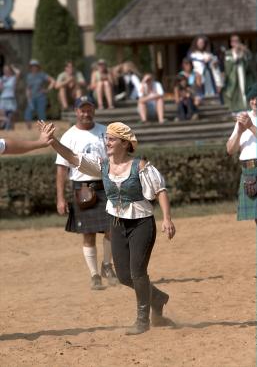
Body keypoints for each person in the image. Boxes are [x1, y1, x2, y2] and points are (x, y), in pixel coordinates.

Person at [39, 120, 176, 336]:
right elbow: (73, 158)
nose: (107, 142)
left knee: (138, 272)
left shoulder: (140, 166)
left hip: (141, 223)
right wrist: (53, 142)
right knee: (123, 275)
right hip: (116, 223)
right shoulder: (102, 165)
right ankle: (157, 297)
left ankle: (143, 320)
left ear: (124, 143)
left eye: (111, 139)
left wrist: (167, 219)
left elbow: (160, 190)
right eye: (107, 139)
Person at [55, 96, 117, 290]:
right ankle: (94, 275)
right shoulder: (68, 136)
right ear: (76, 111)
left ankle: (107, 265)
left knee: (112, 229)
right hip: (82, 189)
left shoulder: (105, 131)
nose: (86, 113)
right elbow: (62, 169)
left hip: (105, 185)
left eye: (89, 109)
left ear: (94, 110)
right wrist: (60, 198)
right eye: (82, 109)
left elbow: (116, 158)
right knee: (88, 234)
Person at [226, 83, 257, 223]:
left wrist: (251, 126)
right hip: (248, 171)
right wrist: (238, 132)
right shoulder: (243, 118)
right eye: (252, 98)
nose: (255, 101)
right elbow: (230, 150)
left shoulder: (248, 121)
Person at [224, 35, 255, 112]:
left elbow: (250, 62)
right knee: (234, 92)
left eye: (237, 41)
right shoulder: (228, 53)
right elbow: (227, 65)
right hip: (233, 76)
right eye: (234, 41)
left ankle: (246, 107)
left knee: (245, 90)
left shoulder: (244, 51)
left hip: (244, 75)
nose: (236, 43)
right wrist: (236, 58)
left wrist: (245, 52)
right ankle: (236, 108)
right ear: (231, 43)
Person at [24, 59, 55, 129]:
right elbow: (28, 88)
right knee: (28, 111)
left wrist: (47, 90)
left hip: (41, 97)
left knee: (41, 113)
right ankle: (28, 128)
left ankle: (43, 128)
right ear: (30, 67)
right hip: (32, 97)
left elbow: (52, 81)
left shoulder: (42, 75)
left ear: (38, 67)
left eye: (35, 66)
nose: (33, 67)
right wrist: (28, 98)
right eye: (32, 66)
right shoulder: (29, 76)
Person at [0, 64, 20, 130]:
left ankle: (10, 128)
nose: (6, 71)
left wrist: (13, 67)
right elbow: (1, 89)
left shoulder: (13, 78)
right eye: (5, 70)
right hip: (3, 99)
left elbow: (18, 72)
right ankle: (5, 127)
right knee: (3, 116)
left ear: (10, 70)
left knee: (11, 116)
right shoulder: (2, 78)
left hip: (11, 99)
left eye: (7, 69)